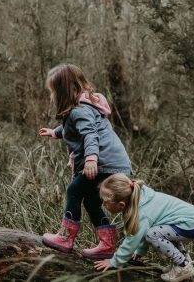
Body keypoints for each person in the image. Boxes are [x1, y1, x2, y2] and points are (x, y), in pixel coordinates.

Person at [38, 64, 133, 259]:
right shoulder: (86, 105)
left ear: (63, 92)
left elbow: (90, 134)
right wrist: (55, 132)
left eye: (54, 92)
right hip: (115, 162)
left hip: (103, 163)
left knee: (74, 190)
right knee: (91, 201)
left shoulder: (78, 110)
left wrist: (91, 160)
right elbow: (74, 130)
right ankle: (107, 244)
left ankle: (65, 238)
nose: (52, 96)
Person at [94, 174, 194, 282]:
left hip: (190, 225)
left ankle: (183, 265)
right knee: (159, 231)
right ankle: (181, 262)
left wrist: (114, 262)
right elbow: (143, 232)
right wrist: (140, 252)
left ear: (121, 204)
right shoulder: (140, 197)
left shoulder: (141, 213)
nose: (104, 205)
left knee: (152, 235)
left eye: (106, 202)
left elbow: (132, 241)